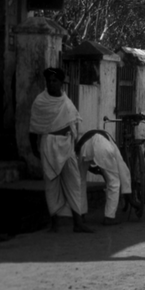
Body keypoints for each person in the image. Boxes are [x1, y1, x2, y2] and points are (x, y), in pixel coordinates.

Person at [29, 67, 92, 233]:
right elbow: (34, 126)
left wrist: (76, 143)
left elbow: (73, 122)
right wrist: (33, 149)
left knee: (74, 182)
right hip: (49, 145)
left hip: (67, 145)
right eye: (49, 81)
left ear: (61, 83)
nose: (51, 83)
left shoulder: (66, 101)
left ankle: (78, 223)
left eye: (54, 80)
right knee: (52, 185)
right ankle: (54, 223)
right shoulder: (40, 101)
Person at [76, 129, 138, 224]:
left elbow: (89, 161)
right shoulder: (112, 146)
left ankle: (80, 214)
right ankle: (109, 217)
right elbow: (124, 172)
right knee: (114, 182)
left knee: (80, 181)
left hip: (84, 147)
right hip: (102, 147)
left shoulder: (97, 136)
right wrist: (130, 197)